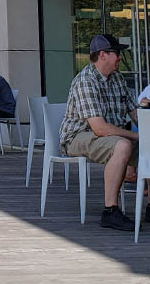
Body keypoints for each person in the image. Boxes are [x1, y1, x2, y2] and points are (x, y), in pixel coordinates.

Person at [60, 34, 139, 231]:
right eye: (117, 53)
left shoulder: (117, 78)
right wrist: (138, 136)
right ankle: (110, 211)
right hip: (78, 136)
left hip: (109, 137)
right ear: (103, 55)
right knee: (123, 145)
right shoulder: (86, 81)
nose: (120, 57)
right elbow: (99, 128)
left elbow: (134, 112)